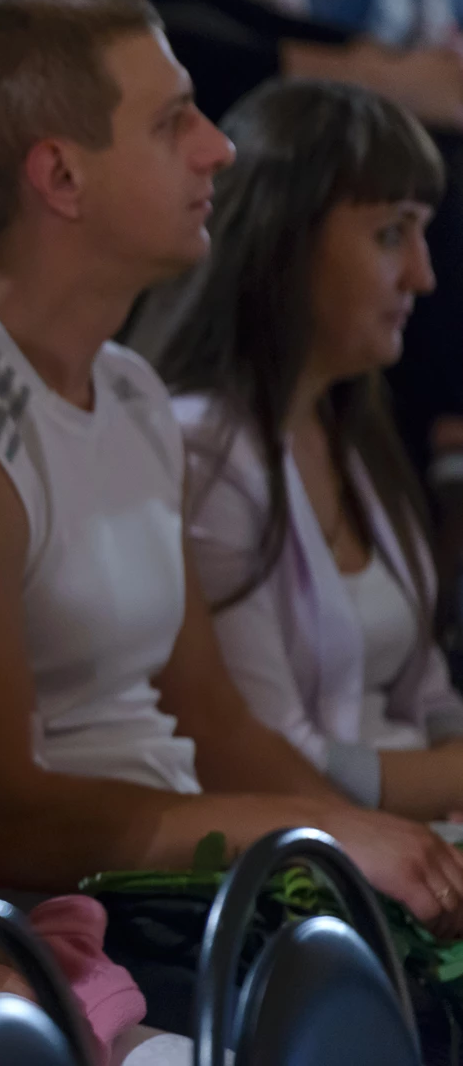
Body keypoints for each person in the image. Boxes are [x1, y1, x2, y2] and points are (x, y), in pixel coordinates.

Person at [0, 0, 463, 936]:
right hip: (68, 930)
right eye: (172, 123)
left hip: (184, 891)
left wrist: (385, 853)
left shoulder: (128, 388)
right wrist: (316, 832)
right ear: (60, 176)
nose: (218, 147)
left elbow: (210, 718)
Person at [134, 80, 463, 822]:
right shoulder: (202, 449)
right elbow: (265, 754)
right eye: (391, 235)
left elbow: (429, 694)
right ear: (283, 240)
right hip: (312, 853)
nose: (423, 275)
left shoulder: (346, 427)